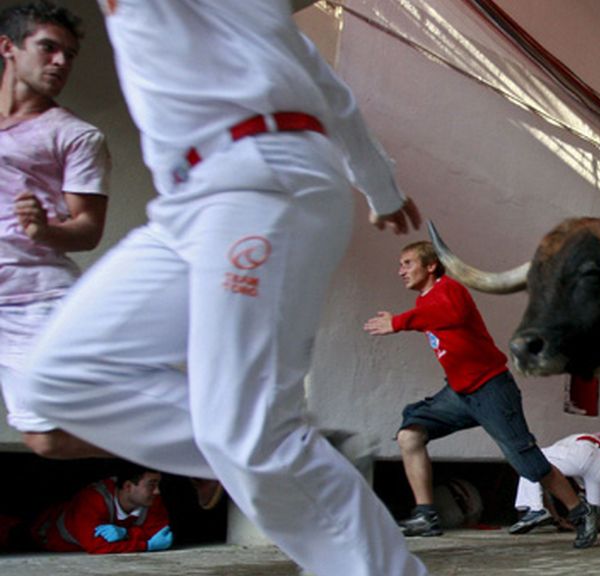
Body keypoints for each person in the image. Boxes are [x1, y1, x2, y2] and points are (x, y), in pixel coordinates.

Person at [21, 2, 427, 575]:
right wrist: (379, 186)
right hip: (188, 204)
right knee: (58, 381)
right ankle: (273, 447)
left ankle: (270, 446)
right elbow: (325, 81)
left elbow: (320, 84)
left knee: (248, 433)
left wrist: (377, 183)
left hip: (259, 179)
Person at [364, 240, 600, 548]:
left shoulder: (449, 290)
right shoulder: (424, 303)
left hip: (491, 388)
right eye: (400, 265)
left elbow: (449, 314)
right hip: (460, 394)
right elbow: (434, 319)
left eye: (407, 263)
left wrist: (398, 322)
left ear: (431, 266)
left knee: (526, 461)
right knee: (410, 434)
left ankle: (581, 511)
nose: (401, 271)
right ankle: (426, 515)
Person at [0, 0, 110, 458]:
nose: (61, 61)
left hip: (35, 302)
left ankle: (196, 450)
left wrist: (44, 230)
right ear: (8, 47)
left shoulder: (76, 136)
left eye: (68, 53)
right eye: (48, 48)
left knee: (45, 440)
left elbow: (87, 230)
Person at [510, 404, 600, 534]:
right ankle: (587, 520)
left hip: (583, 453)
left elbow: (545, 475)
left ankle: (536, 507)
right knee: (596, 522)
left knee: (530, 460)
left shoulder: (590, 439)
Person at [28, 463, 172, 554]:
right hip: (43, 535)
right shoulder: (93, 499)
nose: (157, 491)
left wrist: (127, 534)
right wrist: (146, 545)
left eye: (158, 484)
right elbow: (98, 547)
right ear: (128, 486)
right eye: (151, 484)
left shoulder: (151, 500)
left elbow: (161, 533)